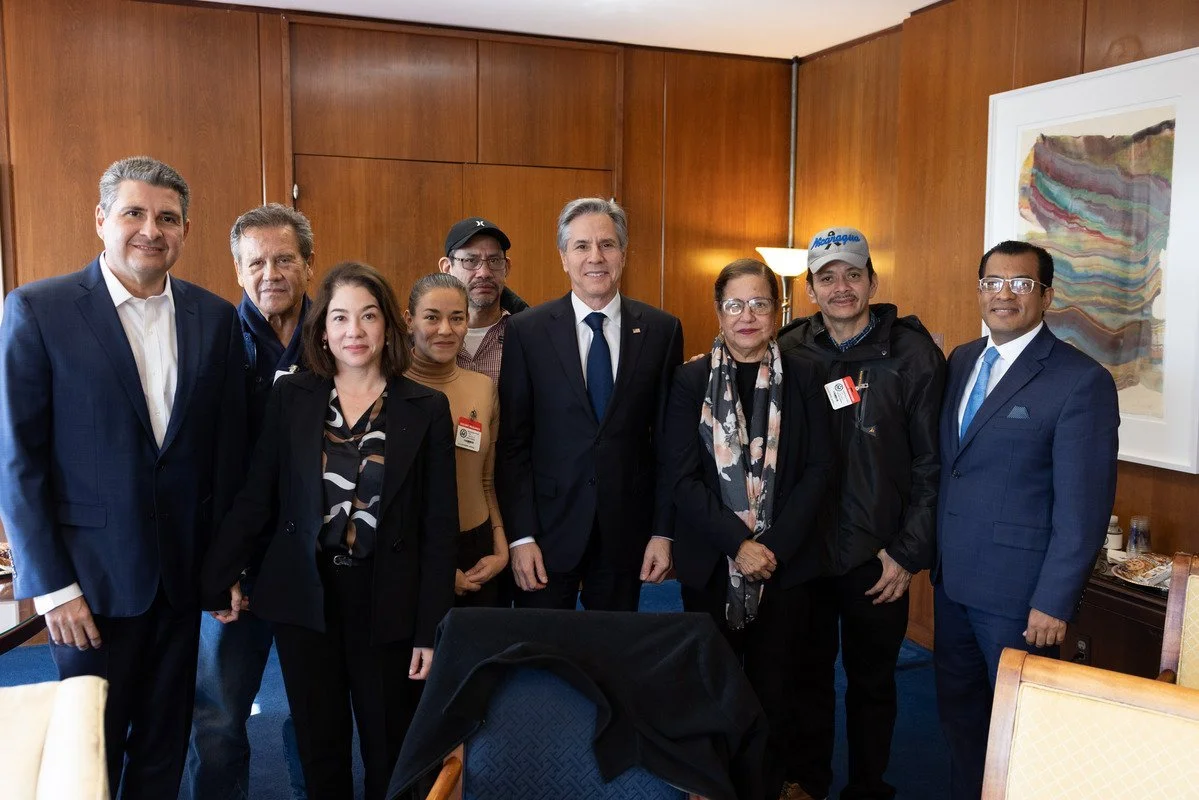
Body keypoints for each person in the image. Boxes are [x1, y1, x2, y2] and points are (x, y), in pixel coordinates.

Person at [0, 155, 246, 798]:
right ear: (101, 220)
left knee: (164, 748)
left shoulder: (215, 318)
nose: (151, 230)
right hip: (89, 587)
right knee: (90, 756)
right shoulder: (39, 310)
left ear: (185, 230)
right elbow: (18, 462)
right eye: (134, 213)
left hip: (180, 580)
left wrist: (222, 567)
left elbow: (222, 458)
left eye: (168, 217)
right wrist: (52, 588)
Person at [200, 262, 458, 800]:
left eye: (368, 316)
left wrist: (429, 630)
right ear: (322, 330)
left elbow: (439, 527)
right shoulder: (292, 396)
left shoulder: (426, 407)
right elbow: (258, 495)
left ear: (388, 325)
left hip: (388, 599)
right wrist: (218, 575)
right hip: (306, 596)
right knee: (320, 749)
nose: (353, 331)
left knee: (390, 750)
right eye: (339, 317)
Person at [934, 240, 1119, 800]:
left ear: (1047, 296)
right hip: (952, 584)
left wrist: (1054, 601)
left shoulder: (1080, 380)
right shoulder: (962, 359)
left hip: (1019, 599)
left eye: (1021, 284)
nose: (1005, 294)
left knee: (1024, 734)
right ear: (979, 291)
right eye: (993, 282)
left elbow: (1084, 509)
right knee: (961, 720)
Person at [777, 227, 945, 800]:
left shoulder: (914, 355)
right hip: (804, 552)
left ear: (873, 281)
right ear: (811, 289)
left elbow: (933, 464)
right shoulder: (789, 348)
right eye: (827, 278)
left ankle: (869, 787)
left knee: (873, 682)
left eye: (853, 274)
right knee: (806, 677)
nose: (841, 287)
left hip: (879, 556)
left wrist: (907, 552)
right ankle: (807, 781)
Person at [665, 258, 833, 799]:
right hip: (712, 562)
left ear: (777, 312)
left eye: (759, 303)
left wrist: (769, 549)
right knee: (710, 682)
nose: (747, 316)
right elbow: (681, 478)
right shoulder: (690, 380)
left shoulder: (807, 376)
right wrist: (737, 544)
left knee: (775, 689)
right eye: (735, 304)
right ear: (718, 312)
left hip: (785, 565)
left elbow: (819, 470)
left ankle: (764, 786)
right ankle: (710, 783)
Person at [497, 197, 683, 611]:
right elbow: (513, 444)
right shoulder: (527, 331)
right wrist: (521, 536)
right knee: (541, 646)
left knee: (612, 648)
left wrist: (663, 531)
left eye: (607, 244)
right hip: (547, 531)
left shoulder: (661, 330)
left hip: (626, 531)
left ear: (624, 254)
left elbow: (668, 444)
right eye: (581, 246)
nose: (595, 257)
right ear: (564, 258)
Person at [185, 203, 314, 800]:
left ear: (308, 264)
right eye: (256, 262)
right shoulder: (210, 341)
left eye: (284, 259)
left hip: (319, 562)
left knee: (319, 711)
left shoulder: (337, 334)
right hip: (236, 563)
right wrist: (222, 567)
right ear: (237, 270)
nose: (271, 273)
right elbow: (197, 467)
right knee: (219, 715)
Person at [405, 273, 508, 606]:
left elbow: (486, 481)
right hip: (410, 552)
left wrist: (500, 549)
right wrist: (433, 566)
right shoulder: (387, 390)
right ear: (409, 321)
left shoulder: (483, 387)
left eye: (457, 318)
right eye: (432, 317)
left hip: (479, 553)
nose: (445, 330)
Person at [438, 216, 528, 383]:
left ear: (506, 267)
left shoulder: (531, 336)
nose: (484, 273)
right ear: (447, 268)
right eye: (470, 261)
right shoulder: (424, 338)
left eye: (494, 261)